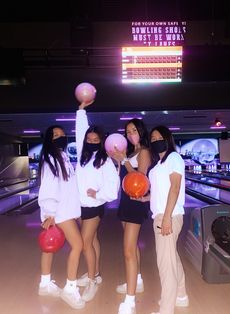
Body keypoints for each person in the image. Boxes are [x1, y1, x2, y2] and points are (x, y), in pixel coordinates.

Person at [75, 101, 120, 302]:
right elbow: (80, 131)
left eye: (95, 139)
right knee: (92, 241)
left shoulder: (105, 160)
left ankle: (92, 280)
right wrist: (81, 110)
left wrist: (98, 194)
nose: (91, 141)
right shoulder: (81, 156)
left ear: (101, 142)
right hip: (80, 206)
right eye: (89, 138)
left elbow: (113, 188)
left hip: (94, 207)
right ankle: (97, 273)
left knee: (85, 243)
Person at [38, 125, 85, 310]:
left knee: (49, 248)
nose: (60, 137)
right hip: (59, 211)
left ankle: (44, 284)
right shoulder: (51, 158)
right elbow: (49, 185)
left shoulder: (62, 156)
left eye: (62, 135)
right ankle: (70, 288)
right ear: (49, 139)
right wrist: (49, 212)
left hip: (63, 209)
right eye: (55, 135)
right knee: (78, 245)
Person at [111, 118, 151, 314]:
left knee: (127, 251)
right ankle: (138, 281)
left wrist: (124, 161)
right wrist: (121, 160)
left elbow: (140, 178)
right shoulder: (131, 152)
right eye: (127, 131)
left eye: (134, 130)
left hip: (136, 202)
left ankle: (130, 300)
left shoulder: (143, 152)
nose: (130, 134)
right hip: (125, 201)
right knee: (132, 247)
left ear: (141, 131)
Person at [147, 125, 189, 314]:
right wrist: (145, 198)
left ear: (167, 138)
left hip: (168, 216)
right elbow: (161, 192)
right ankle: (181, 296)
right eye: (153, 139)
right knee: (172, 259)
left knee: (165, 264)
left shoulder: (173, 157)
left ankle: (166, 310)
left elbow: (175, 188)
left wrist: (166, 218)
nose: (156, 141)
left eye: (159, 138)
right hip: (163, 214)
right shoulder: (159, 164)